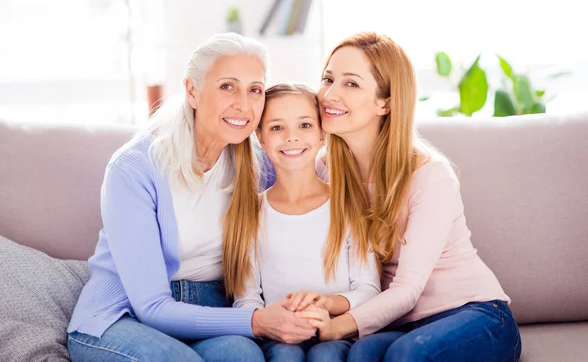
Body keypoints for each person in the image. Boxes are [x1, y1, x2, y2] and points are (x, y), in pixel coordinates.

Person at [67, 33, 316, 362]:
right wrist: (257, 321)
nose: (243, 104)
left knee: (243, 356)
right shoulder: (134, 168)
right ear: (192, 90)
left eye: (255, 89)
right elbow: (152, 306)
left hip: (213, 309)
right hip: (122, 316)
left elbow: (325, 182)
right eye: (227, 86)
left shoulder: (259, 162)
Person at [304, 32, 522, 361]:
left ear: (386, 102)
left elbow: (407, 290)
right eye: (327, 79)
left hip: (475, 316)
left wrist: (337, 326)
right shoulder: (325, 170)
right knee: (356, 354)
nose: (329, 94)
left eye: (351, 84)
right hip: (400, 323)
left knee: (405, 355)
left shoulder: (430, 176)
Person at [233, 83, 381, 362]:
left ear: (322, 132)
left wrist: (325, 304)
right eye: (277, 128)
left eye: (304, 125)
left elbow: (369, 289)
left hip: (336, 332)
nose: (292, 137)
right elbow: (246, 297)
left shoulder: (349, 205)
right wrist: (273, 321)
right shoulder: (250, 212)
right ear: (260, 137)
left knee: (326, 357)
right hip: (278, 337)